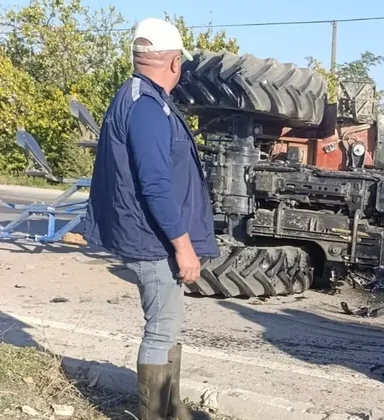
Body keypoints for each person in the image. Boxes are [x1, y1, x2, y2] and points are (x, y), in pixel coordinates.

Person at [82, 17, 219, 420]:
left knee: (168, 323)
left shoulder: (139, 97)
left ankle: (171, 409)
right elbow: (155, 185)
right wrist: (184, 247)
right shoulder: (146, 108)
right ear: (174, 62)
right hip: (153, 240)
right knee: (161, 328)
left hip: (150, 235)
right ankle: (157, 415)